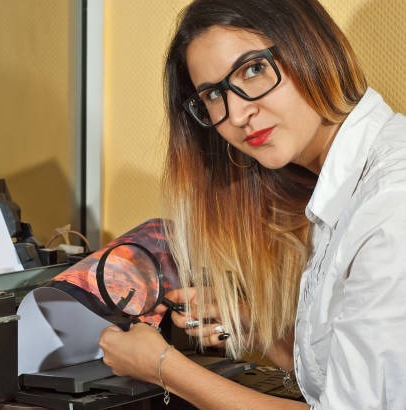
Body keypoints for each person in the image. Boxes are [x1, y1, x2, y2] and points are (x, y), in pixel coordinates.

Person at [99, 0, 406, 408]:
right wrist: (257, 330)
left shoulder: (390, 203)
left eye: (254, 69)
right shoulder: (340, 188)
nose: (239, 113)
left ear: (312, 46)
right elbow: (347, 379)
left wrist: (163, 368)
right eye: (213, 95)